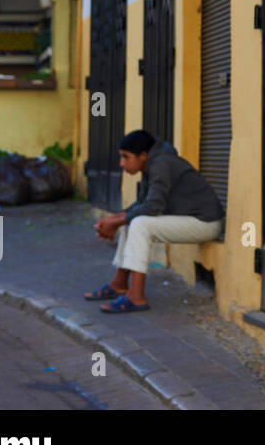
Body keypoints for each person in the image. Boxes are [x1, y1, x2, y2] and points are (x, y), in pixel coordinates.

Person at [85, 129, 224, 313]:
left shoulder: (161, 164)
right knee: (133, 220)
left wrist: (115, 221)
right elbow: (143, 203)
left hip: (206, 223)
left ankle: (136, 297)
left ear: (143, 155)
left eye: (126, 157)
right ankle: (119, 283)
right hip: (190, 218)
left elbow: (152, 208)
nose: (121, 163)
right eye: (121, 157)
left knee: (140, 224)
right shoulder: (153, 164)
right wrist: (114, 219)